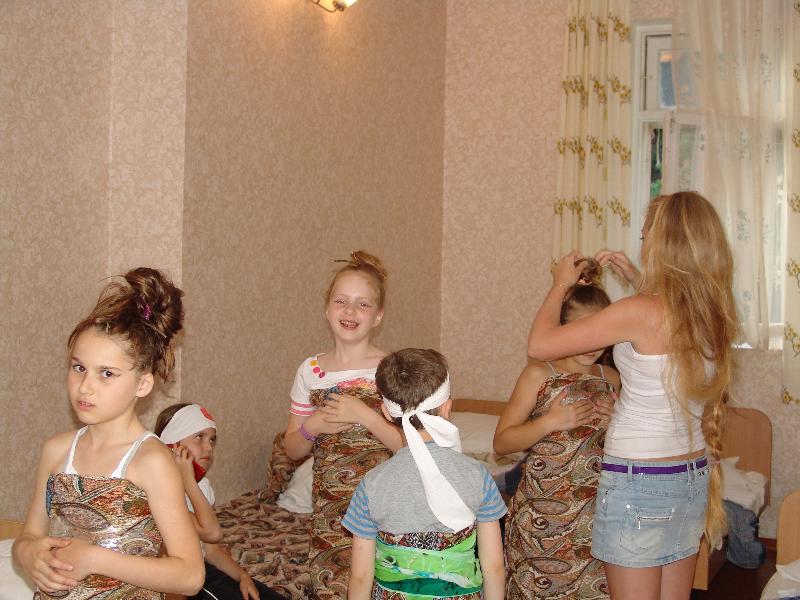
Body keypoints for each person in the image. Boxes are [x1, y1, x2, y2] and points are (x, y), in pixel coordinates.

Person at [527, 192, 737, 600]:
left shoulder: (638, 311)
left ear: (662, 244)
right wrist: (637, 278)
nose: (642, 244)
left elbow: (539, 344)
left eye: (644, 236)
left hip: (640, 480)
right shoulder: (711, 311)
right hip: (690, 476)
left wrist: (560, 283)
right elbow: (666, 334)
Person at [13, 267, 204, 599]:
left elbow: (189, 575)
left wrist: (97, 559)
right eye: (79, 368)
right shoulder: (56, 450)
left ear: (143, 384)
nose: (85, 386)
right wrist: (28, 553)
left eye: (107, 374)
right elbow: (29, 535)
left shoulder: (151, 461)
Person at [282, 251, 403, 600]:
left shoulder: (392, 369)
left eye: (362, 304)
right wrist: (314, 425)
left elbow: (411, 448)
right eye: (341, 301)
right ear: (327, 309)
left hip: (384, 512)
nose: (350, 311)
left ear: (378, 316)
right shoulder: (310, 371)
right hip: (330, 514)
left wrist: (365, 415)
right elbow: (292, 449)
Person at [342, 348, 507, 600]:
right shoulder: (478, 476)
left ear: (386, 413)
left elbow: (360, 577)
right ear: (447, 408)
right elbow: (494, 567)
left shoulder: (372, 484)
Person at [495, 283, 620, 600]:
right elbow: (502, 442)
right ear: (561, 330)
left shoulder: (612, 378)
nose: (592, 342)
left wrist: (618, 423)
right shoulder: (539, 374)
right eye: (581, 330)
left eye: (601, 330)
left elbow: (629, 448)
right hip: (541, 518)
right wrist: (549, 422)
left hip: (595, 516)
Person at [155, 403, 285, 600]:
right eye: (199, 437)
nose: (209, 447)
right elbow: (212, 532)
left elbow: (211, 550)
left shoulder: (203, 487)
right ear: (172, 445)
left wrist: (242, 576)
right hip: (178, 583)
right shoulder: (160, 490)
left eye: (212, 439)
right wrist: (188, 480)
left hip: (203, 569)